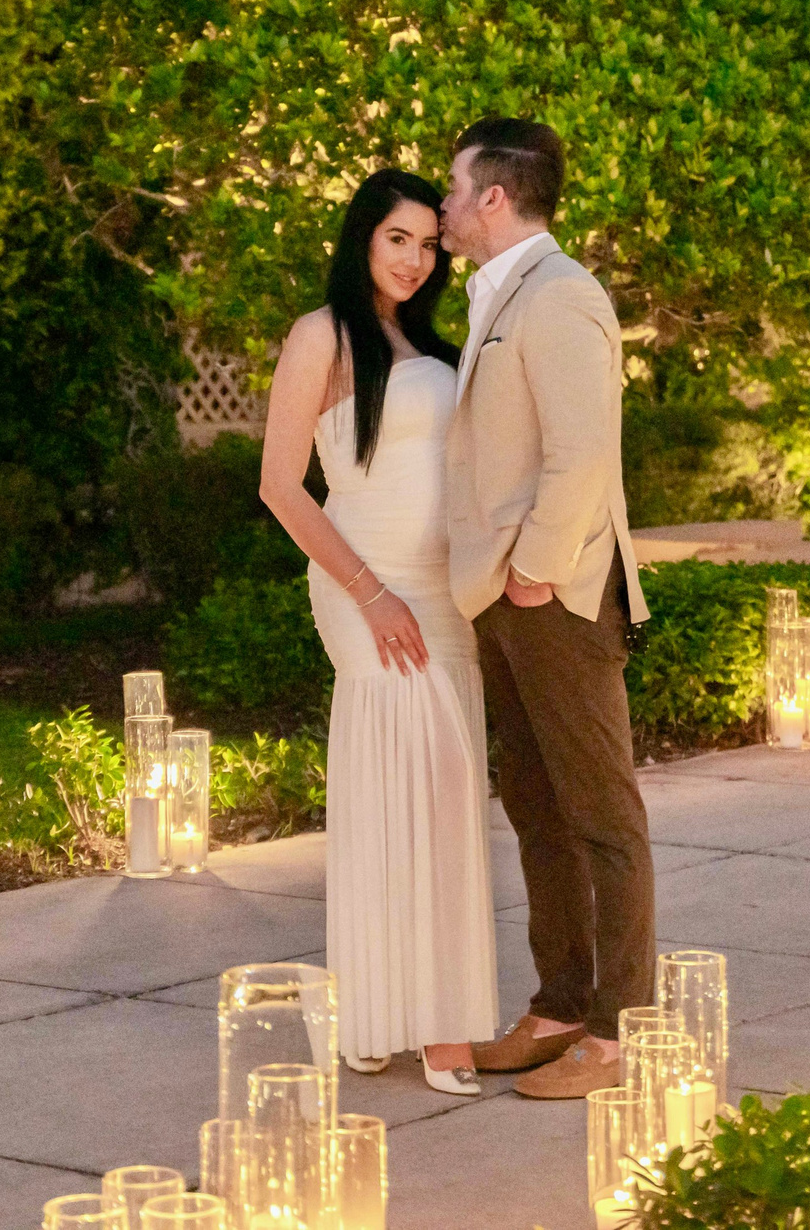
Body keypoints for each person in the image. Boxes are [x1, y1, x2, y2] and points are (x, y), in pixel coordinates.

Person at [259, 169, 499, 1096]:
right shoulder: (322, 336)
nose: (413, 258)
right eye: (396, 237)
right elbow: (282, 487)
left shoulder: (432, 341)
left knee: (443, 795)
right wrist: (370, 594)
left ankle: (421, 1009)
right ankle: (398, 1014)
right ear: (363, 236)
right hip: (364, 586)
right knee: (393, 783)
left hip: (443, 591)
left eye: (427, 243)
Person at [439, 117, 651, 1100]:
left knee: (602, 813)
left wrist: (530, 572)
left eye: (452, 189)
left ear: (493, 196)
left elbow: (581, 452)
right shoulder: (499, 296)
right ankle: (561, 1002)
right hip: (505, 595)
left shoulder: (562, 296)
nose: (441, 207)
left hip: (553, 595)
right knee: (534, 805)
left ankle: (621, 1030)